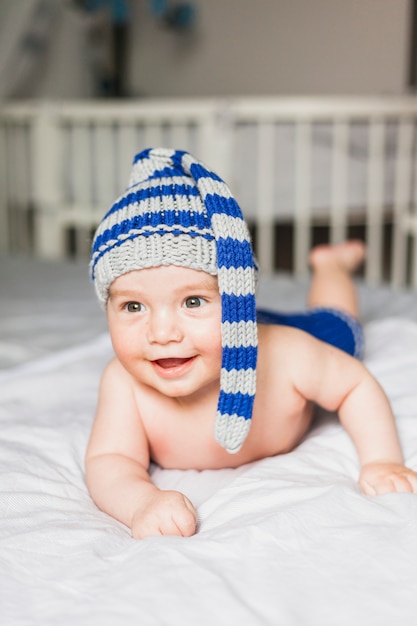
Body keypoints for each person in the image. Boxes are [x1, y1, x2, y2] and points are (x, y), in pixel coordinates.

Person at [85, 147, 417, 540]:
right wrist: (141, 501)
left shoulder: (290, 355)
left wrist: (381, 461)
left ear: (238, 295)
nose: (161, 333)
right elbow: (111, 461)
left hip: (267, 334)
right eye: (133, 305)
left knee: (338, 328)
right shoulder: (125, 384)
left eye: (193, 301)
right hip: (219, 337)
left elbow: (354, 385)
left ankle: (331, 266)